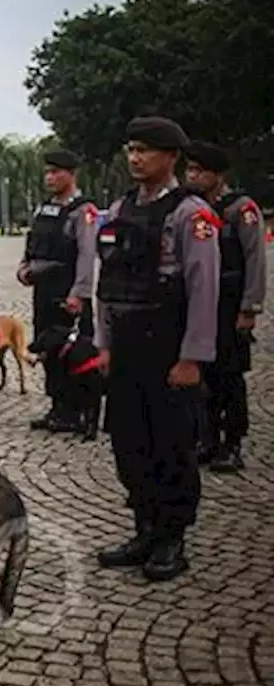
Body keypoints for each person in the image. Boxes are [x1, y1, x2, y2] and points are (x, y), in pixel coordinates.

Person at [93, 116, 219, 582]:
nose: (135, 158)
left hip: (168, 344)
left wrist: (192, 357)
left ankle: (172, 537)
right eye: (131, 149)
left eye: (145, 150)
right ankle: (144, 528)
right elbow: (106, 284)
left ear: (172, 157)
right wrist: (103, 342)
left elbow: (204, 291)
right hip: (126, 344)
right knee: (129, 441)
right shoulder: (119, 210)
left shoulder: (191, 214)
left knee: (171, 444)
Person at [184, 140, 265, 472]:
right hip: (201, 301)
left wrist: (250, 308)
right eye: (189, 169)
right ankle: (208, 438)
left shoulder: (240, 209)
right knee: (203, 374)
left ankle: (232, 442)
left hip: (231, 302)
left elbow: (255, 259)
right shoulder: (192, 208)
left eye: (198, 171)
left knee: (229, 375)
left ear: (216, 174)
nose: (192, 176)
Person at [18, 149, 99, 432]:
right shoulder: (44, 209)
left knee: (75, 352)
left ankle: (79, 409)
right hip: (43, 290)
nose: (50, 177)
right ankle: (58, 406)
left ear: (72, 174)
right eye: (48, 172)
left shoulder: (82, 211)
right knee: (47, 349)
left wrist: (79, 293)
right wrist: (23, 268)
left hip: (68, 291)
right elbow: (31, 244)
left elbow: (87, 255)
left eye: (56, 172)